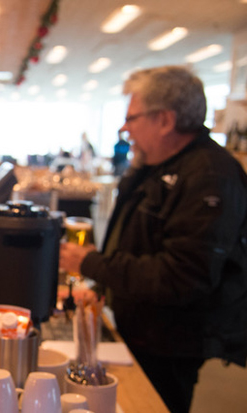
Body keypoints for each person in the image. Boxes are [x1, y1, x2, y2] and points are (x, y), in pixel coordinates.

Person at [59, 66, 247, 413]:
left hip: (170, 343)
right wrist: (102, 288)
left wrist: (93, 264)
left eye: (132, 118)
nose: (124, 128)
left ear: (164, 120)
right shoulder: (157, 166)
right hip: (141, 329)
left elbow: (182, 277)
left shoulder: (209, 176)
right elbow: (140, 245)